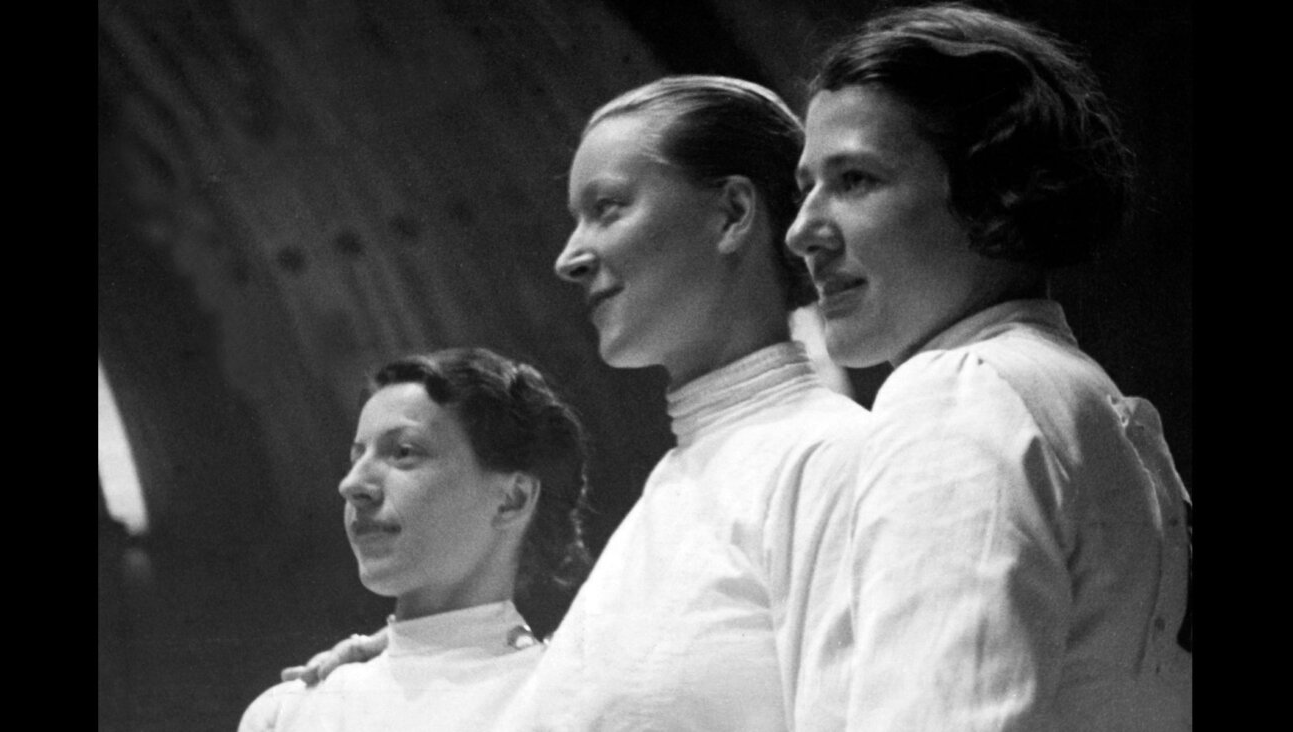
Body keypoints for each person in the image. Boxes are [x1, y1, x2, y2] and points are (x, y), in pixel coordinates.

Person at [287, 75, 873, 730]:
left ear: (732, 213)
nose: (569, 256)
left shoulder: (830, 461)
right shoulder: (680, 481)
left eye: (608, 208)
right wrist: (406, 676)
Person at [786, 3, 1192, 729]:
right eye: (805, 186)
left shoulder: (959, 399)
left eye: (855, 181)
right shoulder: (1066, 389)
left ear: (992, 193)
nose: (802, 231)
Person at [239, 348, 592, 731]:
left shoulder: (568, 702)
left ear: (512, 498)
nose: (352, 484)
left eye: (403, 452)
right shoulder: (288, 715)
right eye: (356, 457)